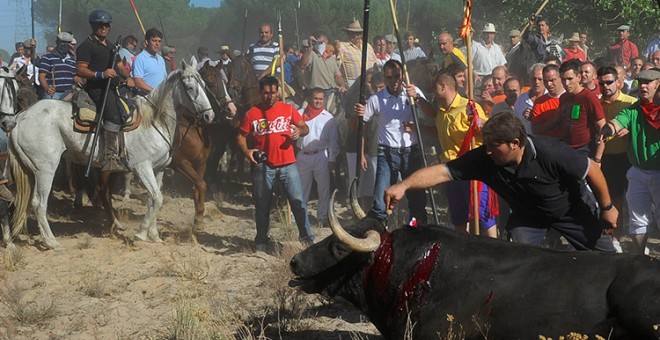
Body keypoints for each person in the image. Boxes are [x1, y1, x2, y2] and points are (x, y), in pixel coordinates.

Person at [386, 111, 617, 251]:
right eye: (486, 145)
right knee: (517, 262)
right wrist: (403, 185)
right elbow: (442, 172)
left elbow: (592, 170)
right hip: (528, 218)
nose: (488, 151)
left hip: (571, 211)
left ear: (515, 143)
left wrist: (607, 207)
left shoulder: (551, 152)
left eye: (494, 146)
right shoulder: (486, 157)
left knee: (606, 260)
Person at [237, 76, 315, 250]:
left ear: (278, 92)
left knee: (298, 201)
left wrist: (299, 132)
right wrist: (246, 151)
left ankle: (307, 237)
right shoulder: (252, 114)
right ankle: (262, 239)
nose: (270, 97)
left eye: (273, 93)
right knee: (263, 204)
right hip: (264, 165)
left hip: (288, 164)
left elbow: (305, 127)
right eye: (266, 93)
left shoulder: (287, 109)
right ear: (260, 93)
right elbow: (241, 135)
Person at [421, 71, 497, 237]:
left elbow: (487, 132)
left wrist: (477, 120)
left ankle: (494, 249)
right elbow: (439, 133)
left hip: (472, 169)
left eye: (434, 88)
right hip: (451, 170)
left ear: (443, 87)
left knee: (482, 216)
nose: (432, 92)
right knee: (459, 217)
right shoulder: (441, 111)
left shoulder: (469, 106)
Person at [354, 60, 428, 224]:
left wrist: (417, 98)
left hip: (412, 151)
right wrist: (362, 152)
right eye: (389, 78)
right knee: (381, 199)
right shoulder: (376, 99)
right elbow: (361, 125)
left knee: (417, 199)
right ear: (385, 79)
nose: (394, 81)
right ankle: (379, 234)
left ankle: (417, 233)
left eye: (397, 77)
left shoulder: (412, 92)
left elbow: (432, 114)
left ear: (402, 76)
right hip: (386, 153)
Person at [598, 68, 660, 254]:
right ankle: (640, 257)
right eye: (640, 82)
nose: (643, 86)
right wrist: (608, 129)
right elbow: (618, 121)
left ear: (658, 86)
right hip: (638, 172)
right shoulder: (634, 109)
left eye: (648, 82)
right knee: (637, 218)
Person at [76, 9, 131, 172]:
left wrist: (128, 77)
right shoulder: (86, 46)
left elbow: (121, 68)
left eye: (106, 24)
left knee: (130, 110)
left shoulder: (112, 47)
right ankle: (109, 157)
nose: (104, 27)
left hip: (113, 87)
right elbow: (80, 70)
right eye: (100, 25)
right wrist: (101, 74)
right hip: (97, 88)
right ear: (93, 25)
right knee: (113, 115)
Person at [596, 65, 638, 253]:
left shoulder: (631, 103)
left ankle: (638, 242)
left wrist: (630, 129)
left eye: (609, 82)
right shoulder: (597, 103)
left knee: (636, 202)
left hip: (629, 158)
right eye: (602, 83)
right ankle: (615, 240)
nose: (605, 86)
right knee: (615, 201)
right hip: (607, 159)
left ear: (618, 82)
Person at [296, 88, 339, 228]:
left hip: (321, 155)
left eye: (321, 99)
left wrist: (332, 159)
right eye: (315, 98)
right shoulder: (299, 114)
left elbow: (334, 141)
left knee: (323, 188)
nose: (318, 101)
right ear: (310, 98)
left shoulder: (329, 118)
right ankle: (299, 216)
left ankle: (322, 216)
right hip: (303, 155)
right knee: (302, 188)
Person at [556, 59, 606, 159]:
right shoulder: (563, 97)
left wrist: (598, 158)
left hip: (584, 149)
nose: (566, 83)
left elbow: (602, 126)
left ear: (579, 77)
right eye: (563, 79)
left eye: (570, 79)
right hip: (566, 147)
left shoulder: (588, 97)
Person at [301, 31, 346, 114]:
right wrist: (310, 47)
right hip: (314, 94)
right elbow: (303, 65)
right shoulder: (311, 55)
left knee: (334, 113)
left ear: (326, 41)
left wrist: (342, 85)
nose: (321, 44)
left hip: (330, 93)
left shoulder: (332, 58)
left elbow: (338, 76)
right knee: (303, 113)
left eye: (323, 41)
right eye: (318, 42)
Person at [38, 32, 79, 100]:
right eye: (62, 42)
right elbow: (42, 76)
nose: (65, 45)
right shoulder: (47, 58)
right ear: (57, 42)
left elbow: (74, 77)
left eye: (67, 43)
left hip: (69, 94)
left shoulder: (72, 61)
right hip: (53, 94)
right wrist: (47, 88)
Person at [337, 19, 377, 87]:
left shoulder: (367, 46)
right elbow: (337, 65)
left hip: (370, 82)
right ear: (348, 34)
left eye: (358, 33)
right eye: (352, 33)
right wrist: (336, 50)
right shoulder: (342, 46)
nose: (356, 36)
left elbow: (375, 62)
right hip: (353, 83)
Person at [531, 64, 565, 138]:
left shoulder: (572, 97)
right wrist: (554, 120)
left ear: (561, 78)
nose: (549, 84)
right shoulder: (539, 102)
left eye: (552, 80)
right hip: (549, 145)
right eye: (546, 81)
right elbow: (535, 130)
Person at [513, 63, 546, 133]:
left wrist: (535, 117)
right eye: (534, 79)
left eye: (540, 79)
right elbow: (516, 122)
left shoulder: (551, 98)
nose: (536, 82)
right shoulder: (521, 99)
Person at [132, 28, 167, 93]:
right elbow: (138, 82)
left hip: (161, 99)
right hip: (146, 99)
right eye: (154, 41)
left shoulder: (161, 59)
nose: (157, 44)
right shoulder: (140, 59)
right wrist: (155, 92)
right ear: (147, 42)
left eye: (159, 41)